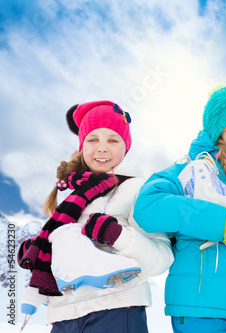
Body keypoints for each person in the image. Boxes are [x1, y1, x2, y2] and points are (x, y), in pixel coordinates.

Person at [18, 101, 174, 332]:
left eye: (113, 140)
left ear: (125, 147)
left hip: (116, 310)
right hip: (63, 315)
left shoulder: (138, 190)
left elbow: (161, 259)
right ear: (82, 146)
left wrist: (117, 235)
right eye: (93, 140)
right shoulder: (71, 197)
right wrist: (40, 250)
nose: (102, 148)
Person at [133, 85, 226, 333]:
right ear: (217, 134)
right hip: (201, 310)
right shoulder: (194, 170)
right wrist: (218, 222)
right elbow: (148, 206)